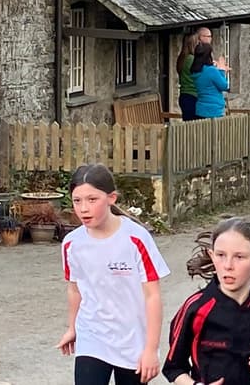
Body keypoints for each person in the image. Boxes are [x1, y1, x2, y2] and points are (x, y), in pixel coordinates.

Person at [58, 164, 169, 385]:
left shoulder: (136, 238)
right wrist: (73, 327)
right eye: (77, 200)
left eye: (92, 199)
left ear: (111, 198)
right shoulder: (71, 243)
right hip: (92, 337)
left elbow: (153, 296)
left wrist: (151, 349)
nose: (84, 209)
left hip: (132, 342)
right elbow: (75, 289)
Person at [164, 218, 250, 385]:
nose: (228, 265)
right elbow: (174, 368)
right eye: (221, 255)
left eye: (239, 257)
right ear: (212, 256)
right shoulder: (195, 309)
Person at [176, 27, 213, 121]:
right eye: (198, 42)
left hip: (185, 95)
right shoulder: (191, 59)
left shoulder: (183, 58)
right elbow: (203, 75)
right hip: (192, 96)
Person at [191, 42, 230, 120]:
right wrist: (222, 71)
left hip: (200, 109)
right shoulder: (211, 71)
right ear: (209, 55)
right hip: (214, 109)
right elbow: (224, 86)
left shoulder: (195, 72)